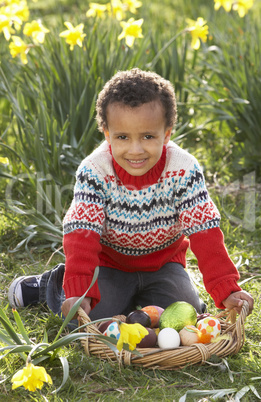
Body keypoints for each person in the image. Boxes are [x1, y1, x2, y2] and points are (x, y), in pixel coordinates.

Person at [8, 68, 254, 322]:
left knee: (184, 315)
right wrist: (80, 290)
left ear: (167, 133)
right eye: (123, 137)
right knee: (90, 320)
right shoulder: (95, 170)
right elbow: (82, 233)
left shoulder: (183, 169)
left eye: (148, 136)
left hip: (163, 265)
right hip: (109, 264)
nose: (135, 150)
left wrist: (226, 288)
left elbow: (205, 232)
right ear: (107, 134)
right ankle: (56, 283)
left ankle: (141, 296)